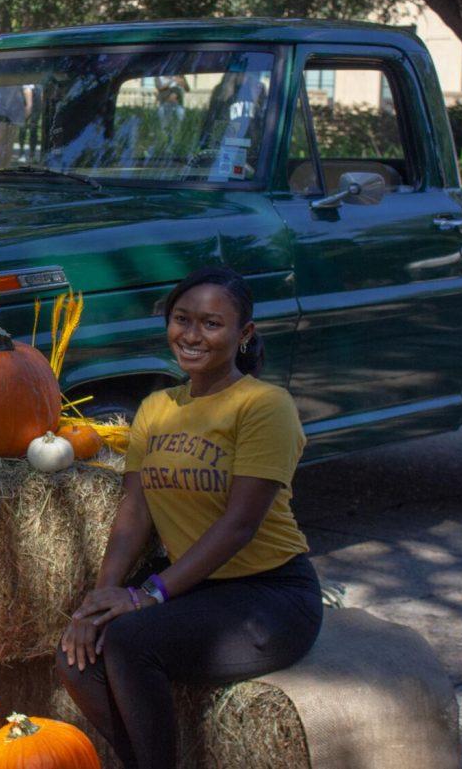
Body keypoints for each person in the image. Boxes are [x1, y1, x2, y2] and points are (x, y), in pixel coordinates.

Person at [55, 267, 322, 769]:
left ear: (244, 335)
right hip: (197, 589)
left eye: (211, 324)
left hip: (270, 595)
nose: (192, 335)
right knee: (78, 654)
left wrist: (148, 594)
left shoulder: (264, 405)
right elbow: (134, 512)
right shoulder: (157, 407)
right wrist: (99, 599)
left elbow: (239, 526)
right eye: (182, 319)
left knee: (132, 642)